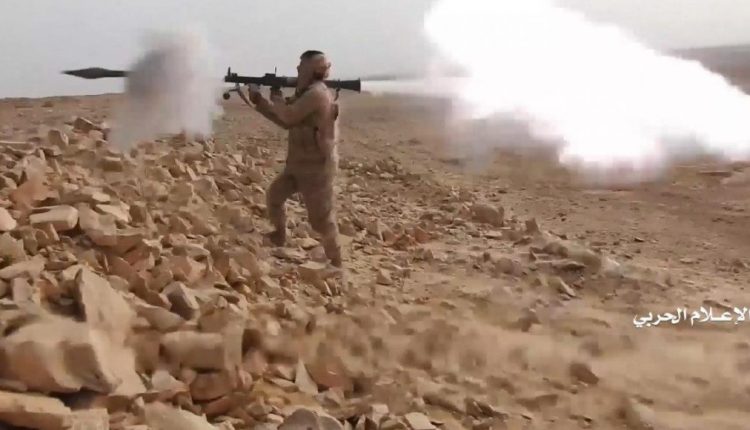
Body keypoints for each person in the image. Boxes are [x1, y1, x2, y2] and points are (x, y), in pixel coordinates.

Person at [246, 50, 343, 268]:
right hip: (298, 164)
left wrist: (275, 96)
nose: (298, 70)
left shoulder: (317, 94)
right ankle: (280, 235)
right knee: (274, 197)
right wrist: (260, 101)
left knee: (321, 220)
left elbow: (288, 115)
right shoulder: (305, 94)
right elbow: (285, 121)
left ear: (312, 69)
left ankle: (336, 261)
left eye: (302, 66)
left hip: (317, 168)